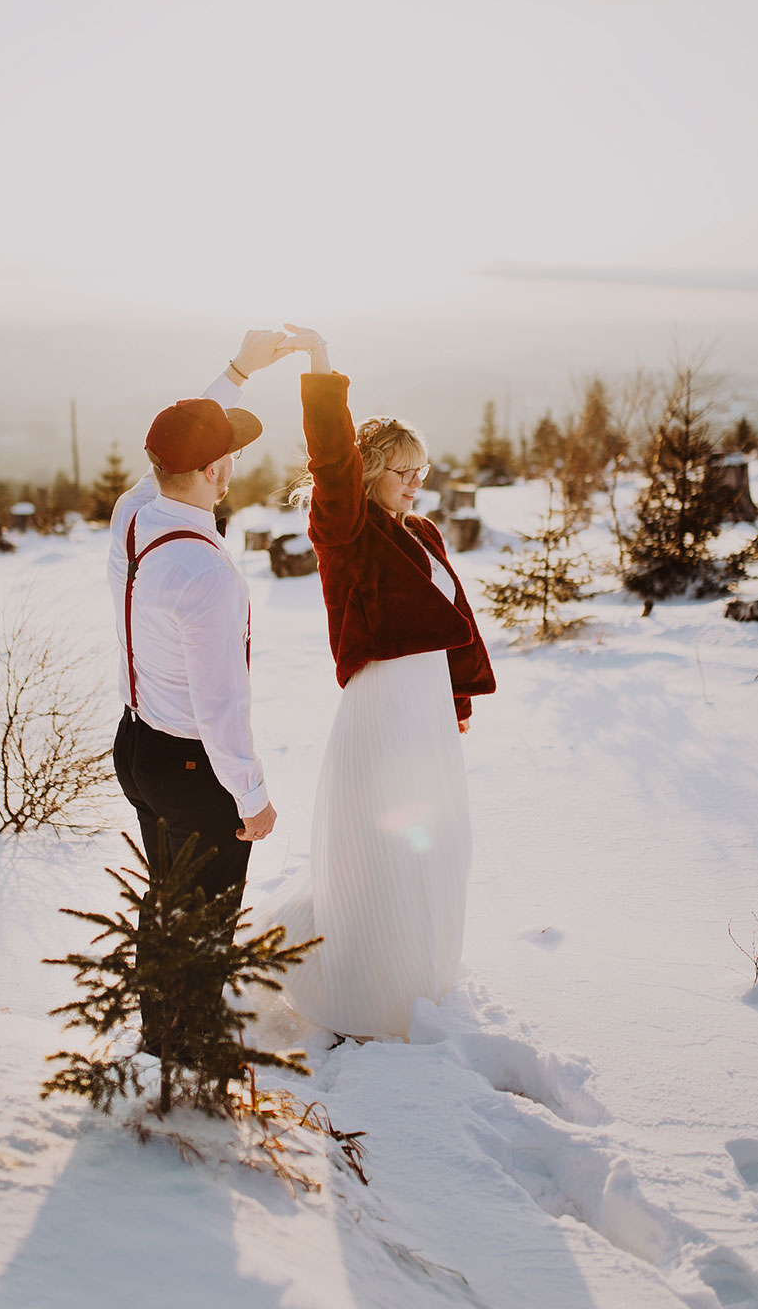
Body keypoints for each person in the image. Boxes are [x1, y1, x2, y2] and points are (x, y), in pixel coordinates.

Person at [262, 324, 496, 1041]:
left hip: (423, 708)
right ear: (366, 471)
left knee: (435, 841)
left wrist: (455, 699)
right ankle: (370, 995)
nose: (414, 480)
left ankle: (418, 976)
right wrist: (321, 365)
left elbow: (444, 620)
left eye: (420, 468)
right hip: (379, 707)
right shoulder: (346, 525)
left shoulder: (422, 531)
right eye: (401, 468)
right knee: (381, 852)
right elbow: (328, 456)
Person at [108, 329, 287, 1038]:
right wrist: (251, 794)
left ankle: (162, 1041)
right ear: (213, 472)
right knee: (202, 927)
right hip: (190, 765)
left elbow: (174, 449)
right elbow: (220, 704)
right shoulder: (206, 574)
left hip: (136, 746)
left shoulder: (135, 517)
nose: (234, 463)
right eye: (229, 456)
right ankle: (185, 1058)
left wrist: (239, 372)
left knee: (167, 906)